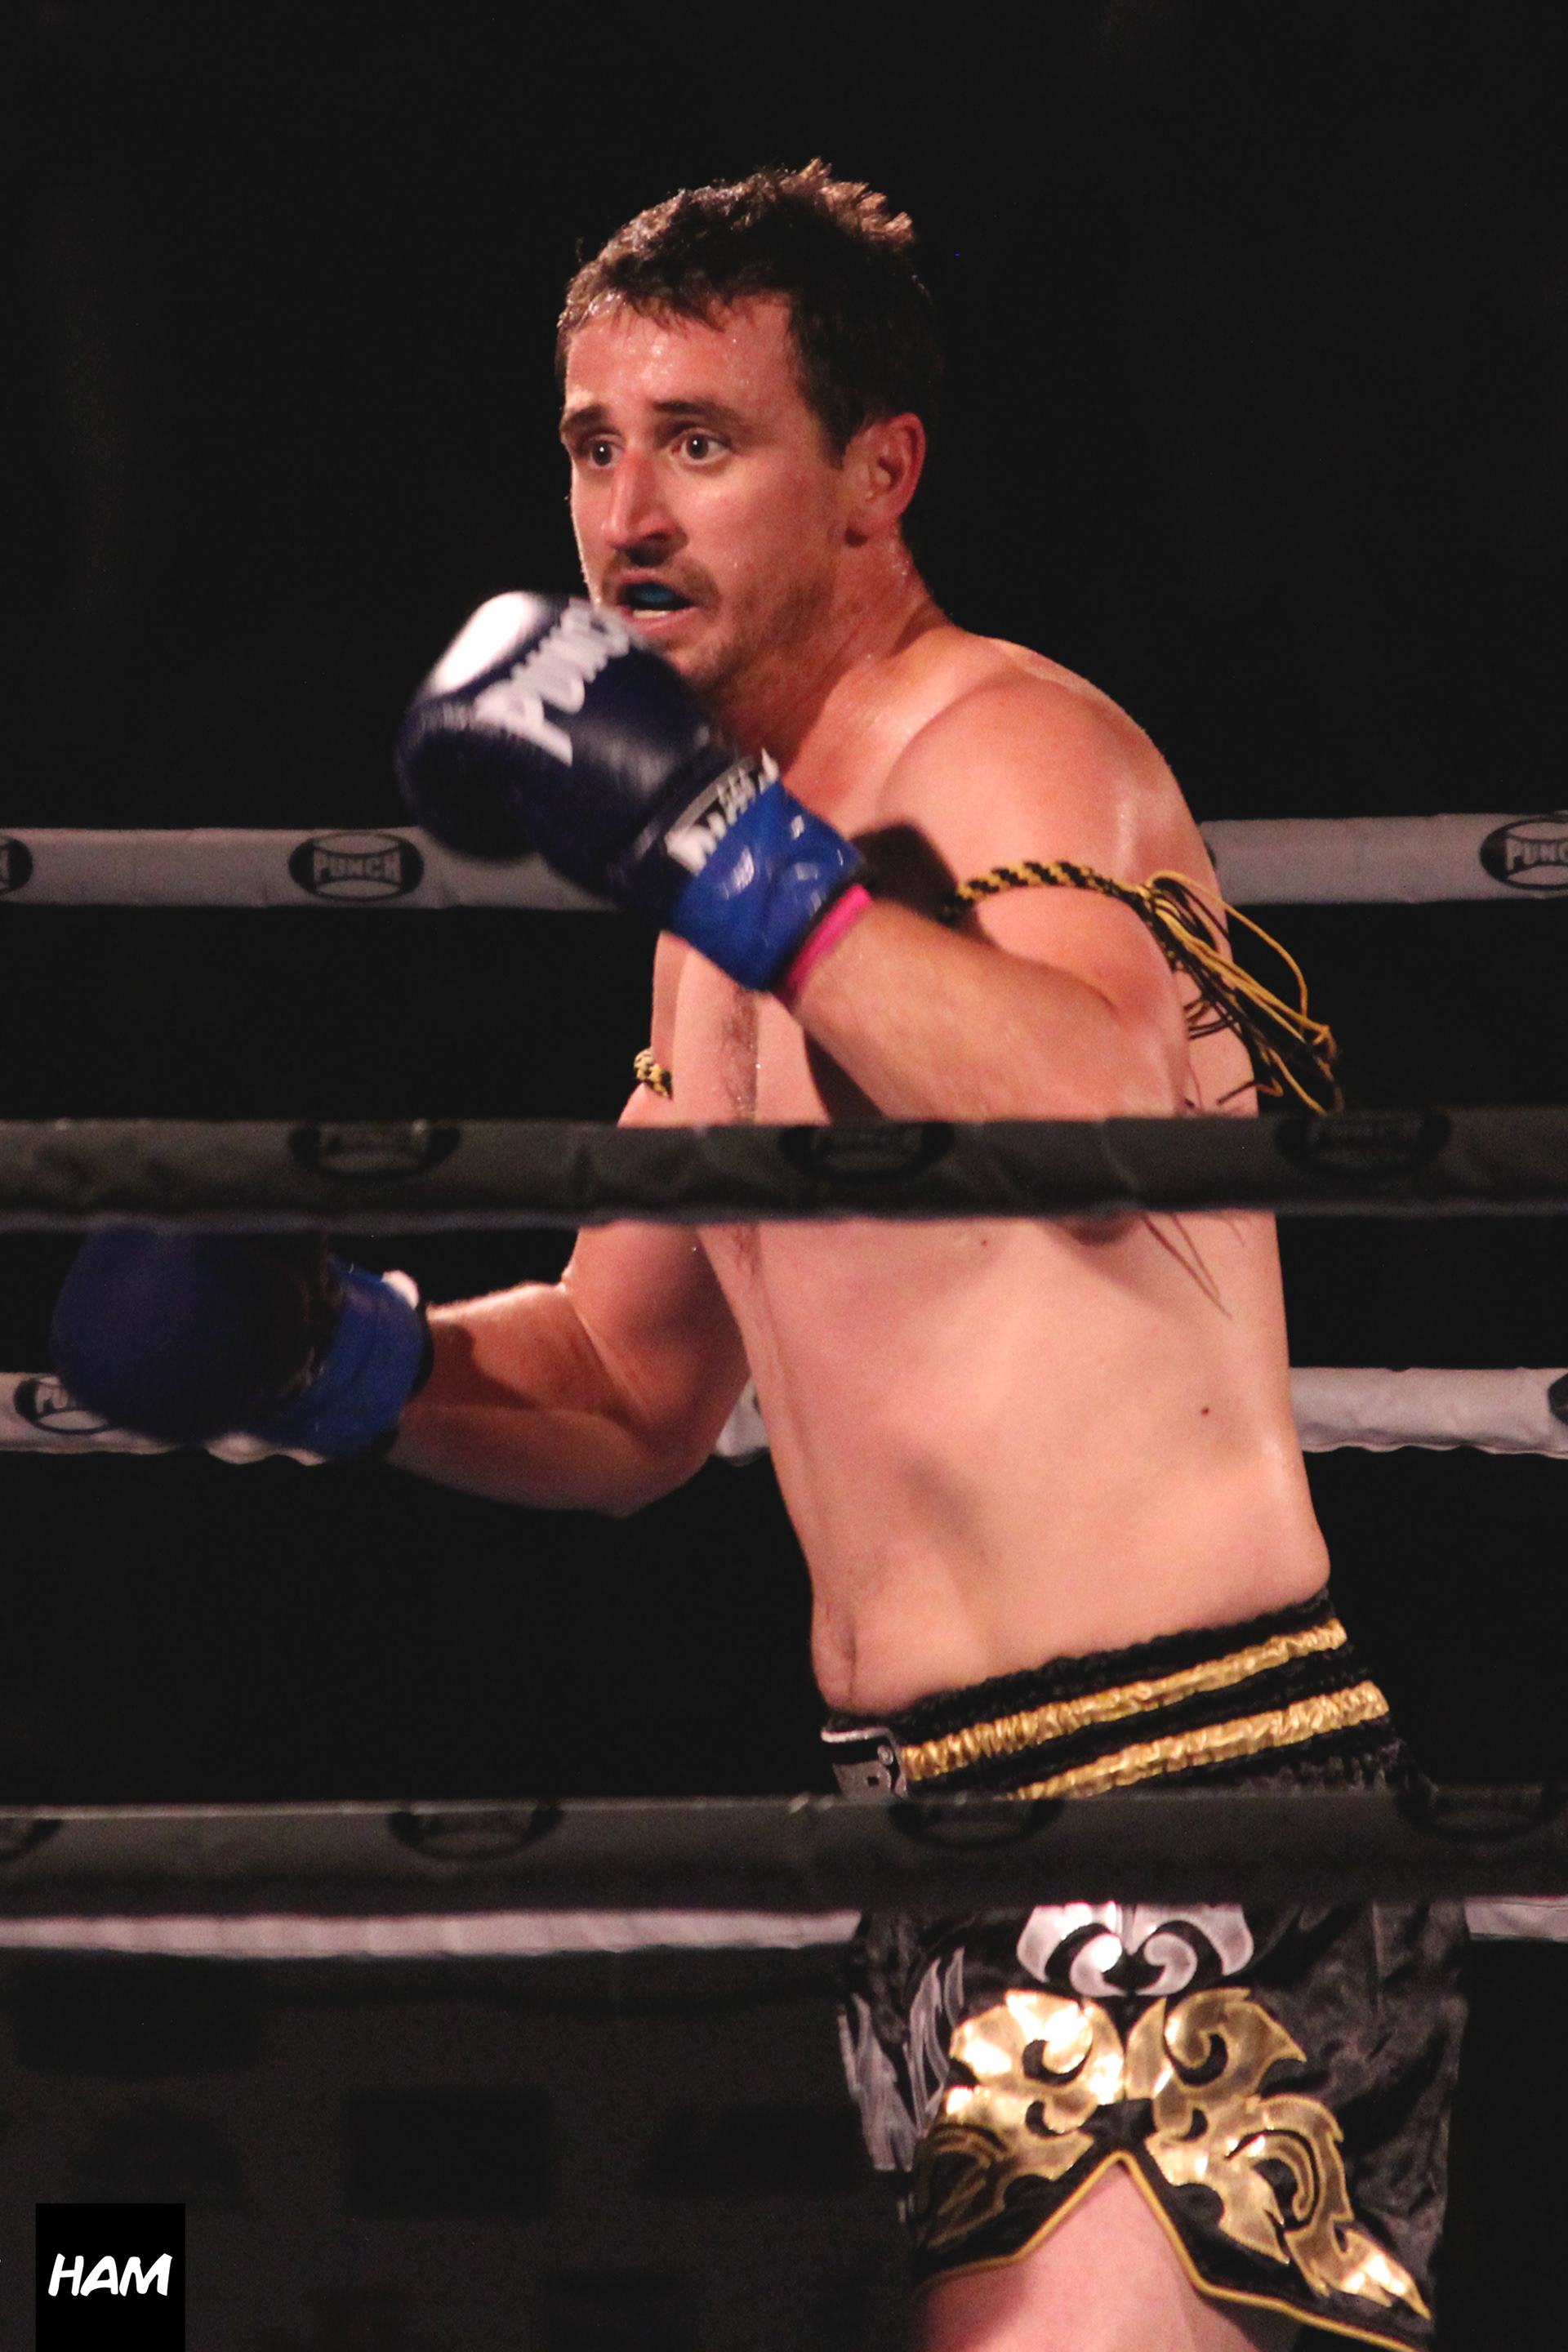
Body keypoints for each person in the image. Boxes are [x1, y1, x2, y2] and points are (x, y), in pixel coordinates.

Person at [51, 167, 1463, 2351]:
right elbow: (628, 1388)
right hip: (923, 1844)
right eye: (593, 446)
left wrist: (713, 848)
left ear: (877, 475)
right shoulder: (723, 896)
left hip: (1174, 1798)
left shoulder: (1004, 745)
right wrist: (330, 1359)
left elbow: (1095, 1116)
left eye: (701, 442)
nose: (628, 515)